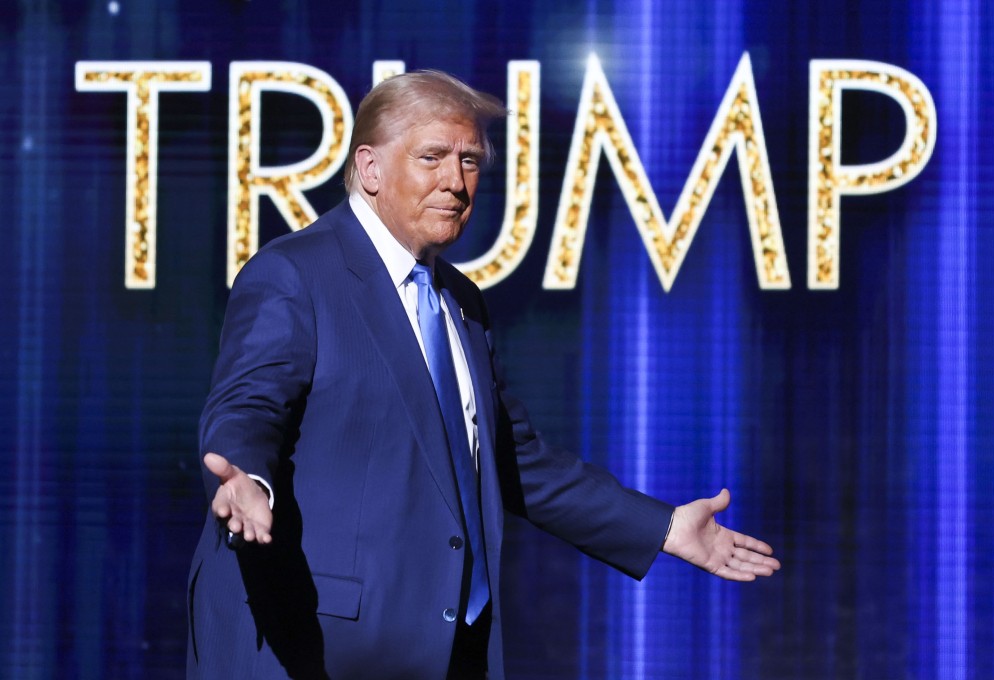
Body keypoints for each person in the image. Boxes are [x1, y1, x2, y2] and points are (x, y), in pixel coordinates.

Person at [186, 70, 780, 680]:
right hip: (316, 644)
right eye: (432, 157)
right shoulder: (295, 274)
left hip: (445, 647)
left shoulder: (460, 299)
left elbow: (510, 459)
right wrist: (245, 478)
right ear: (369, 169)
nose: (456, 181)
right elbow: (247, 406)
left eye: (470, 161)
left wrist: (661, 528)